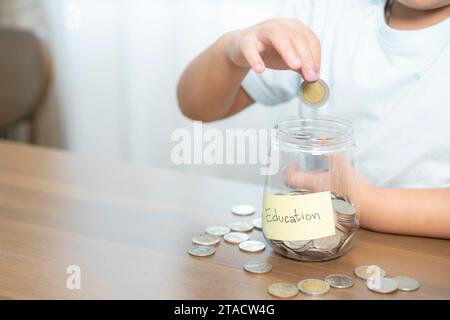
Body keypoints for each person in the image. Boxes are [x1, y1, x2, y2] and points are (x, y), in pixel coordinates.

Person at [177, 0, 450, 239]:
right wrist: (229, 53)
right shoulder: (326, 11)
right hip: (317, 239)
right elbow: (198, 107)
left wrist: (363, 201)